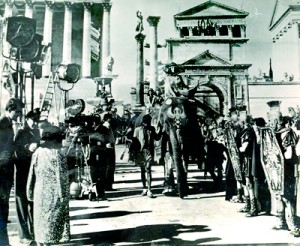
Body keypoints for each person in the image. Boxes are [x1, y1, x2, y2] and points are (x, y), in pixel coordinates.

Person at [27, 124, 70, 245]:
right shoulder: (58, 155)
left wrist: (29, 192)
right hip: (54, 193)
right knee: (51, 224)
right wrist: (65, 196)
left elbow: (31, 174)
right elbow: (62, 177)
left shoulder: (37, 153)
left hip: (39, 192)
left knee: (40, 222)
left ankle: (41, 243)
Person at [14, 108, 41, 244]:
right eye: (33, 120)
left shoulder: (36, 131)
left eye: (37, 121)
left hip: (33, 171)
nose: (35, 123)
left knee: (33, 202)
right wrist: (27, 146)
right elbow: (16, 150)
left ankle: (34, 231)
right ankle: (24, 235)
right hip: (22, 172)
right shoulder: (21, 132)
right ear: (27, 119)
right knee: (22, 203)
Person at [0, 98, 23, 245]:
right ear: (10, 109)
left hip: (5, 172)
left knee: (3, 208)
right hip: (1, 172)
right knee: (1, 209)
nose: (19, 115)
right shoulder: (3, 124)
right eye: (18, 112)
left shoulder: (8, 124)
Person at [133, 114, 162, 198]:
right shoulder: (137, 130)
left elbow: (157, 138)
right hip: (140, 152)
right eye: (146, 123)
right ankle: (144, 188)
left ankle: (149, 189)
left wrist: (160, 130)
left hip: (149, 152)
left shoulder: (152, 129)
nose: (148, 124)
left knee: (148, 169)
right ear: (143, 123)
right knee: (142, 170)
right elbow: (134, 142)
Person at [102, 113, 116, 191]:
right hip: (109, 148)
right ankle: (108, 185)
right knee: (110, 166)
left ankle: (109, 185)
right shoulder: (106, 126)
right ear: (108, 119)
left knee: (110, 166)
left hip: (110, 146)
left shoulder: (108, 126)